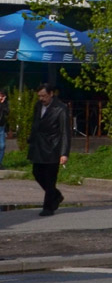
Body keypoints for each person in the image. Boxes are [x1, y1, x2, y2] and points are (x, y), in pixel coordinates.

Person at [28, 83, 70, 217]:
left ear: (51, 94)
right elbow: (36, 124)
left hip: (53, 147)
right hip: (38, 146)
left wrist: (64, 153)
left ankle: (48, 207)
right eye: (39, 96)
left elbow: (65, 132)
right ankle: (56, 195)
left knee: (50, 178)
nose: (41, 99)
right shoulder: (38, 106)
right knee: (37, 172)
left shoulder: (61, 108)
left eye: (44, 96)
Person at [0, 88, 8, 169]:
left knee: (2, 145)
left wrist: (3, 103)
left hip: (1, 127)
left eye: (2, 95)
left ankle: (0, 162)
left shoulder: (5, 104)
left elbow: (7, 112)